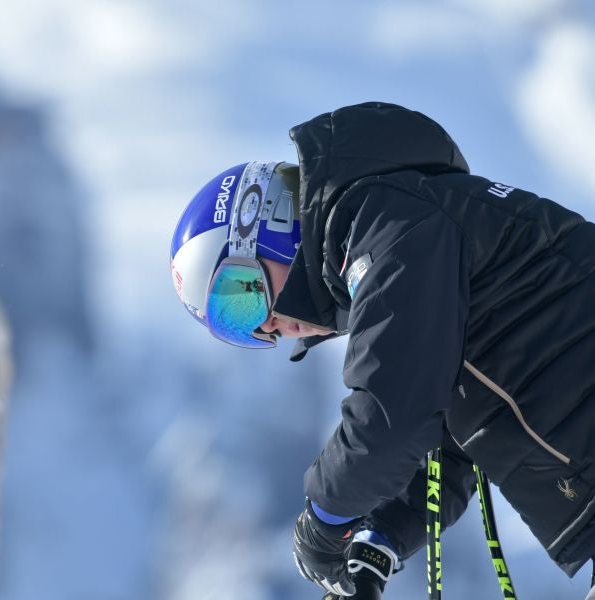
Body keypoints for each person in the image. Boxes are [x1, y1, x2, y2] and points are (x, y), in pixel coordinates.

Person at [170, 102, 595, 598]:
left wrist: (325, 517)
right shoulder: (404, 237)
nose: (266, 327)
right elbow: (446, 438)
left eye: (241, 295)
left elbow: (392, 414)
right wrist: (381, 534)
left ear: (269, 223)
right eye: (237, 329)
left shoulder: (390, 225)